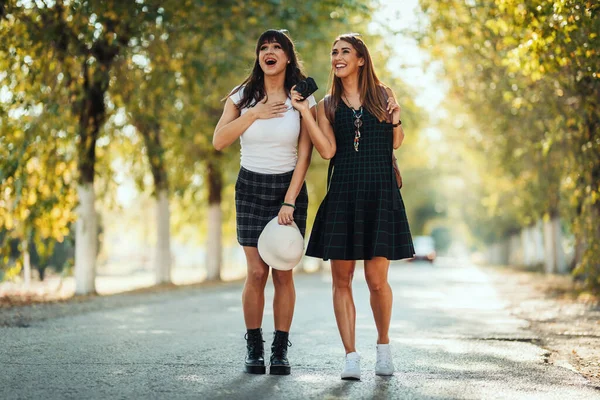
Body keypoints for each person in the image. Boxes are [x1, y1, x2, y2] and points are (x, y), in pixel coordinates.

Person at [290, 33, 414, 380]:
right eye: (334, 52)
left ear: (361, 59)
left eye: (345, 51)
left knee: (377, 281)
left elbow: (397, 142)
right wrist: (305, 112)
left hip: (380, 194)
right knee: (341, 280)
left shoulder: (384, 95)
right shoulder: (326, 105)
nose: (337, 57)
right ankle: (350, 356)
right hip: (343, 194)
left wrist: (397, 117)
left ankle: (384, 348)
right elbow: (327, 151)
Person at [213, 29, 317, 376]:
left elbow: (305, 152)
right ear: (259, 57)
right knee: (257, 272)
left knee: (283, 273)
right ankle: (254, 345)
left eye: (277, 47)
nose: (269, 52)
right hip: (250, 187)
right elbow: (219, 140)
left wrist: (289, 200)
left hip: (288, 189)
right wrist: (254, 113)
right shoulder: (242, 96)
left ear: (288, 57)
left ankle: (280, 348)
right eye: (263, 48)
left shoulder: (302, 98)